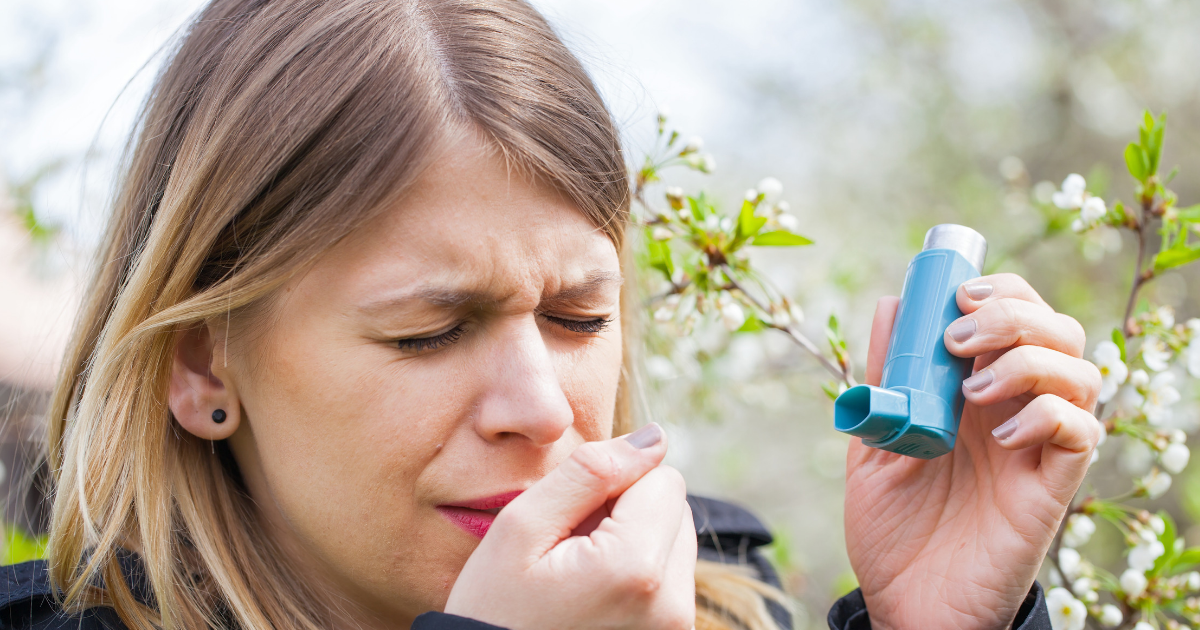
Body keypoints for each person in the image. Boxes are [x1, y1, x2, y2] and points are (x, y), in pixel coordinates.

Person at [0, 0, 1100, 628]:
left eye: (578, 317)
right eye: (426, 332)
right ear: (203, 368)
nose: (540, 409)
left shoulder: (720, 600)